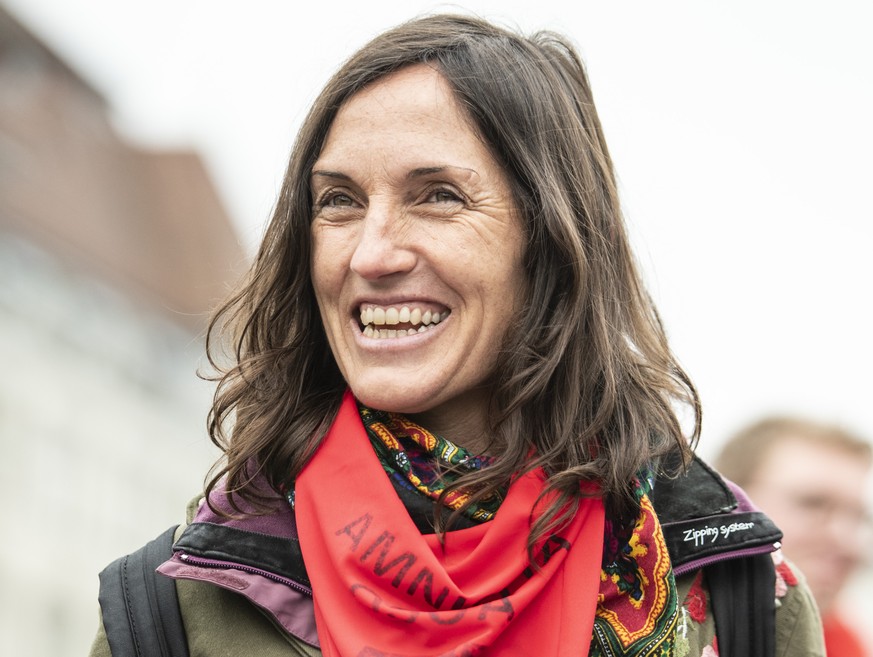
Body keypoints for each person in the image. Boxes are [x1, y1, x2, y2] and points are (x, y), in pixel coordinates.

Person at [90, 14, 824, 657]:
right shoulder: (174, 611)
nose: (372, 253)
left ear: (551, 240)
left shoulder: (739, 593)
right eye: (339, 201)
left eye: (437, 196)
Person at [715, 417, 872, 656]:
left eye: (858, 517)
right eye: (813, 504)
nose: (847, 539)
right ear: (727, 501)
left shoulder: (844, 644)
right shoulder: (656, 630)